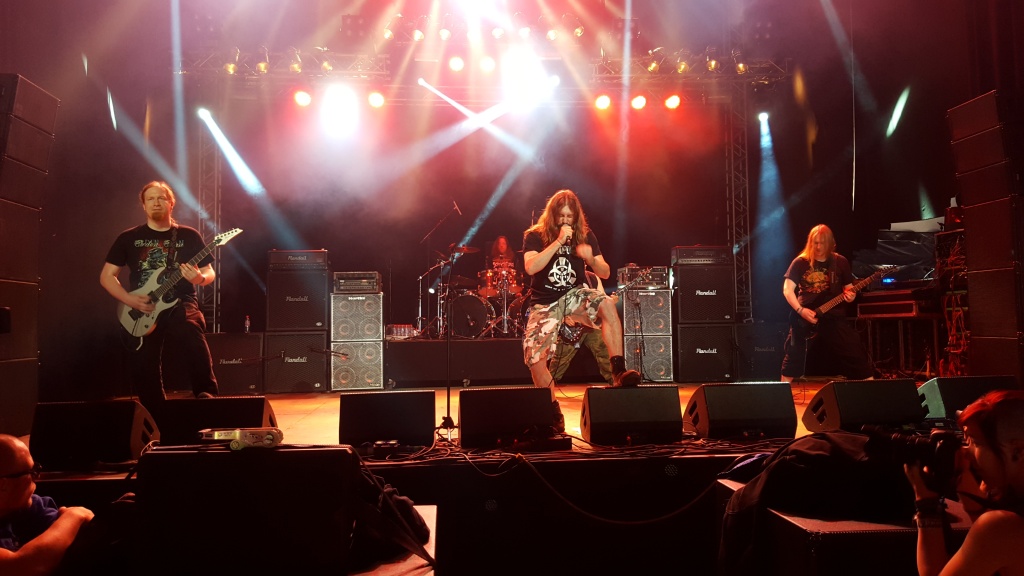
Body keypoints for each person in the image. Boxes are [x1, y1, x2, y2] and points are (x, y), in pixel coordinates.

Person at [522, 189, 641, 432]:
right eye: (561, 216)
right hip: (545, 302)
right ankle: (553, 410)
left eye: (570, 217)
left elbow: (605, 272)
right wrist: (557, 242)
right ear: (552, 215)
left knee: (607, 304)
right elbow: (531, 267)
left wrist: (592, 259)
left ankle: (618, 371)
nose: (566, 221)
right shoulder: (535, 235)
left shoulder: (584, 235)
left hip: (574, 295)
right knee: (535, 361)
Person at [100, 181, 219, 418]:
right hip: (142, 306)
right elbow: (106, 276)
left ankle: (206, 394)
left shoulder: (188, 235)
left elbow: (209, 272)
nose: (156, 202)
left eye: (161, 198)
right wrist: (130, 300)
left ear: (171, 204)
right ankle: (154, 412)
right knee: (143, 360)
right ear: (144, 205)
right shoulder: (129, 237)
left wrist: (199, 278)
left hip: (181, 300)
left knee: (190, 327)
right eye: (151, 199)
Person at [904, 389, 1024, 576]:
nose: (966, 452)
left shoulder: (1003, 527)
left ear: (1017, 450)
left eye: (975, 442)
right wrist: (963, 478)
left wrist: (926, 503)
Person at [779, 224, 873, 382]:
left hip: (833, 316)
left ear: (830, 243)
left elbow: (849, 289)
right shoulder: (800, 262)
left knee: (853, 352)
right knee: (794, 354)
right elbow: (787, 290)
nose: (818, 247)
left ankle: (873, 389)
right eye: (815, 243)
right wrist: (801, 310)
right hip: (805, 317)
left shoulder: (840, 261)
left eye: (822, 243)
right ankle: (782, 393)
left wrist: (851, 297)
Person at [0, 434, 93, 575]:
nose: (37, 477)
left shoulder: (28, 506)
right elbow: (22, 567)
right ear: (3, 485)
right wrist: (75, 515)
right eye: (31, 472)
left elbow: (76, 536)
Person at [549, 271, 614, 385]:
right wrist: (563, 317)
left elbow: (601, 298)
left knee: (604, 351)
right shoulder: (563, 275)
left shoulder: (593, 277)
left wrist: (611, 301)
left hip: (590, 323)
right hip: (572, 323)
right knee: (561, 358)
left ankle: (614, 381)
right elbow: (554, 300)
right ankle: (547, 385)